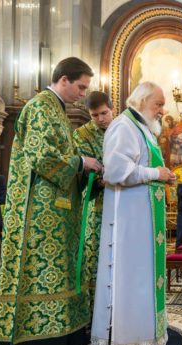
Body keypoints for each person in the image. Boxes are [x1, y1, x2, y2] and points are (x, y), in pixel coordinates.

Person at [0, 57, 103, 345]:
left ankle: (64, 337)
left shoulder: (58, 110)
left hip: (58, 211)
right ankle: (41, 344)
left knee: (61, 272)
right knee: (44, 271)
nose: (83, 94)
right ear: (64, 79)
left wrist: (88, 172)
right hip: (39, 212)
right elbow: (43, 157)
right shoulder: (41, 106)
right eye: (80, 86)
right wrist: (83, 162)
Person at [90, 81, 176, 345]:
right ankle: (126, 343)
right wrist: (156, 173)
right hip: (129, 225)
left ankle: (145, 339)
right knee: (131, 280)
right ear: (141, 100)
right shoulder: (123, 126)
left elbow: (143, 169)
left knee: (144, 280)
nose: (162, 110)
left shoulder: (143, 129)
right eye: (158, 104)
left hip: (144, 225)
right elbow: (115, 171)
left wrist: (163, 175)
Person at [73, 91, 113, 308]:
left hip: (124, 203)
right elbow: (85, 171)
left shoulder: (122, 129)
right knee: (97, 254)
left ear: (112, 109)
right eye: (94, 115)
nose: (100, 119)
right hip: (97, 205)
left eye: (104, 113)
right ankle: (96, 309)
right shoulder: (82, 135)